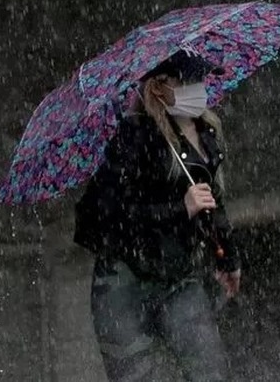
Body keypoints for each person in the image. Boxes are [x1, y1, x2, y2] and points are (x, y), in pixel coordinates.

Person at [74, 51, 241, 381]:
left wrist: (228, 258)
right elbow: (112, 213)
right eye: (188, 81)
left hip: (177, 275)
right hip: (124, 281)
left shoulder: (205, 135)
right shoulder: (132, 139)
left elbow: (212, 202)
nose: (198, 89)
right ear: (159, 87)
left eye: (200, 80)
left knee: (210, 371)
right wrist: (180, 208)